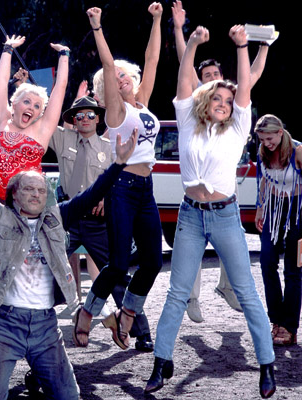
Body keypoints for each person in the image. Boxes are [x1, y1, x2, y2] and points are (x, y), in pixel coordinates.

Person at [0, 99, 138, 400]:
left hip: (45, 326)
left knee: (68, 397)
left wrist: (118, 164)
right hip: (3, 322)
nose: (36, 194)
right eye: (28, 189)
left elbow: (91, 195)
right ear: (14, 195)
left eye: (41, 190)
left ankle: (38, 369)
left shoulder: (56, 218)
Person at [146, 26, 276, 398]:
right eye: (216, 97)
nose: (223, 102)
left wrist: (242, 46)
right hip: (190, 215)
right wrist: (190, 43)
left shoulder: (237, 127)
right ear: (205, 99)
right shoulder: (188, 122)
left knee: (246, 292)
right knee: (177, 292)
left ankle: (267, 365)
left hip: (225, 216)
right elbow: (183, 80)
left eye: (228, 100)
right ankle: (160, 362)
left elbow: (245, 87)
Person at [171, 0, 272, 321]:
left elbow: (253, 74)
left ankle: (227, 286)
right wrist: (179, 30)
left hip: (225, 178)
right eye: (206, 75)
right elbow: (184, 62)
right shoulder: (195, 99)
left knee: (233, 233)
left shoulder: (231, 98)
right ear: (200, 80)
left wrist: (264, 45)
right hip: (197, 181)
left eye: (216, 74)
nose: (212, 78)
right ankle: (191, 296)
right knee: (193, 238)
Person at [73, 4, 163, 351]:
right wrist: (97, 27)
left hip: (145, 188)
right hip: (121, 187)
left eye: (127, 75)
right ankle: (87, 313)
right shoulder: (115, 111)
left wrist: (157, 20)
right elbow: (108, 66)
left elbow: (152, 59)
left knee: (153, 262)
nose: (122, 78)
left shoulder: (143, 104)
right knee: (118, 263)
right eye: (116, 77)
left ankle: (125, 316)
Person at [51, 94, 153, 352]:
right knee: (47, 267)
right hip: (68, 219)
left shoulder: (110, 146)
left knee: (116, 272)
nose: (85, 119)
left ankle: (140, 331)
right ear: (73, 120)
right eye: (79, 116)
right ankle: (38, 329)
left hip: (97, 221)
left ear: (99, 119)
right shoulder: (62, 138)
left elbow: (119, 178)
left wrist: (107, 201)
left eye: (91, 115)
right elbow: (44, 118)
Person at [0, 34, 69, 201]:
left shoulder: (41, 130)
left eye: (37, 106)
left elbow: (60, 88)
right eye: (27, 102)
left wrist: (64, 55)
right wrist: (7, 49)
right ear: (14, 103)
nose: (31, 107)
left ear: (39, 113)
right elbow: (1, 81)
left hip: (27, 205)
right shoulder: (1, 120)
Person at [255, 114, 302, 346]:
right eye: (262, 139)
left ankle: (289, 326)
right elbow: (263, 180)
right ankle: (276, 320)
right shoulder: (262, 152)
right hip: (273, 207)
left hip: (297, 209)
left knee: (293, 269)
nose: (266, 143)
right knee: (266, 262)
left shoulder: (298, 151)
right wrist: (260, 208)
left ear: (280, 133)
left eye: (270, 138)